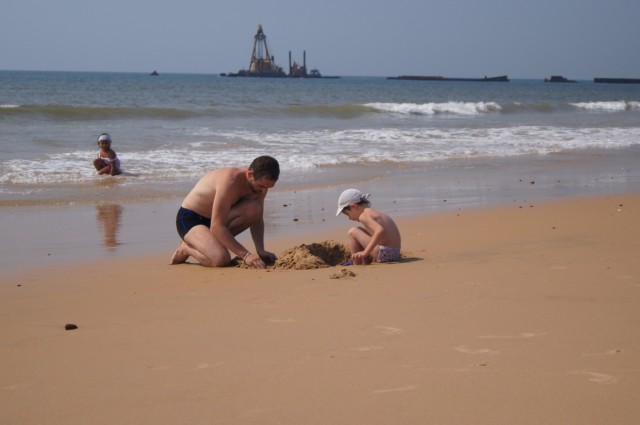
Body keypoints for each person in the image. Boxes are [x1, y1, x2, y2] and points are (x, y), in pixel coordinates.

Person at [170, 156, 280, 269]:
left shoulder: (261, 186)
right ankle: (186, 248)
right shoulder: (230, 181)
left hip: (216, 219)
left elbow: (258, 219)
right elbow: (217, 227)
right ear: (250, 175)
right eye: (261, 186)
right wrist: (246, 255)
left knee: (255, 209)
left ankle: (209, 243)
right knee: (221, 259)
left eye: (268, 187)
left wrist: (260, 250)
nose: (263, 191)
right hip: (191, 218)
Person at [336, 189, 401, 265]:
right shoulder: (372, 212)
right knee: (360, 230)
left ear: (354, 207)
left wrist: (365, 252)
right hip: (394, 253)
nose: (349, 218)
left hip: (385, 254)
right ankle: (365, 262)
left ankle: (356, 263)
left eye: (348, 214)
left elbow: (380, 230)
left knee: (352, 232)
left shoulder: (363, 216)